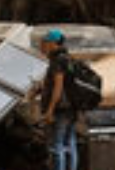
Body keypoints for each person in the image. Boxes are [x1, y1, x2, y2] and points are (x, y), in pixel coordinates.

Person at [38, 29, 78, 170]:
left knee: (57, 145)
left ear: (54, 43)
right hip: (72, 107)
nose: (43, 45)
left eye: (46, 42)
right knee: (70, 143)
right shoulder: (68, 58)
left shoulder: (57, 61)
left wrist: (50, 110)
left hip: (60, 109)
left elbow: (58, 87)